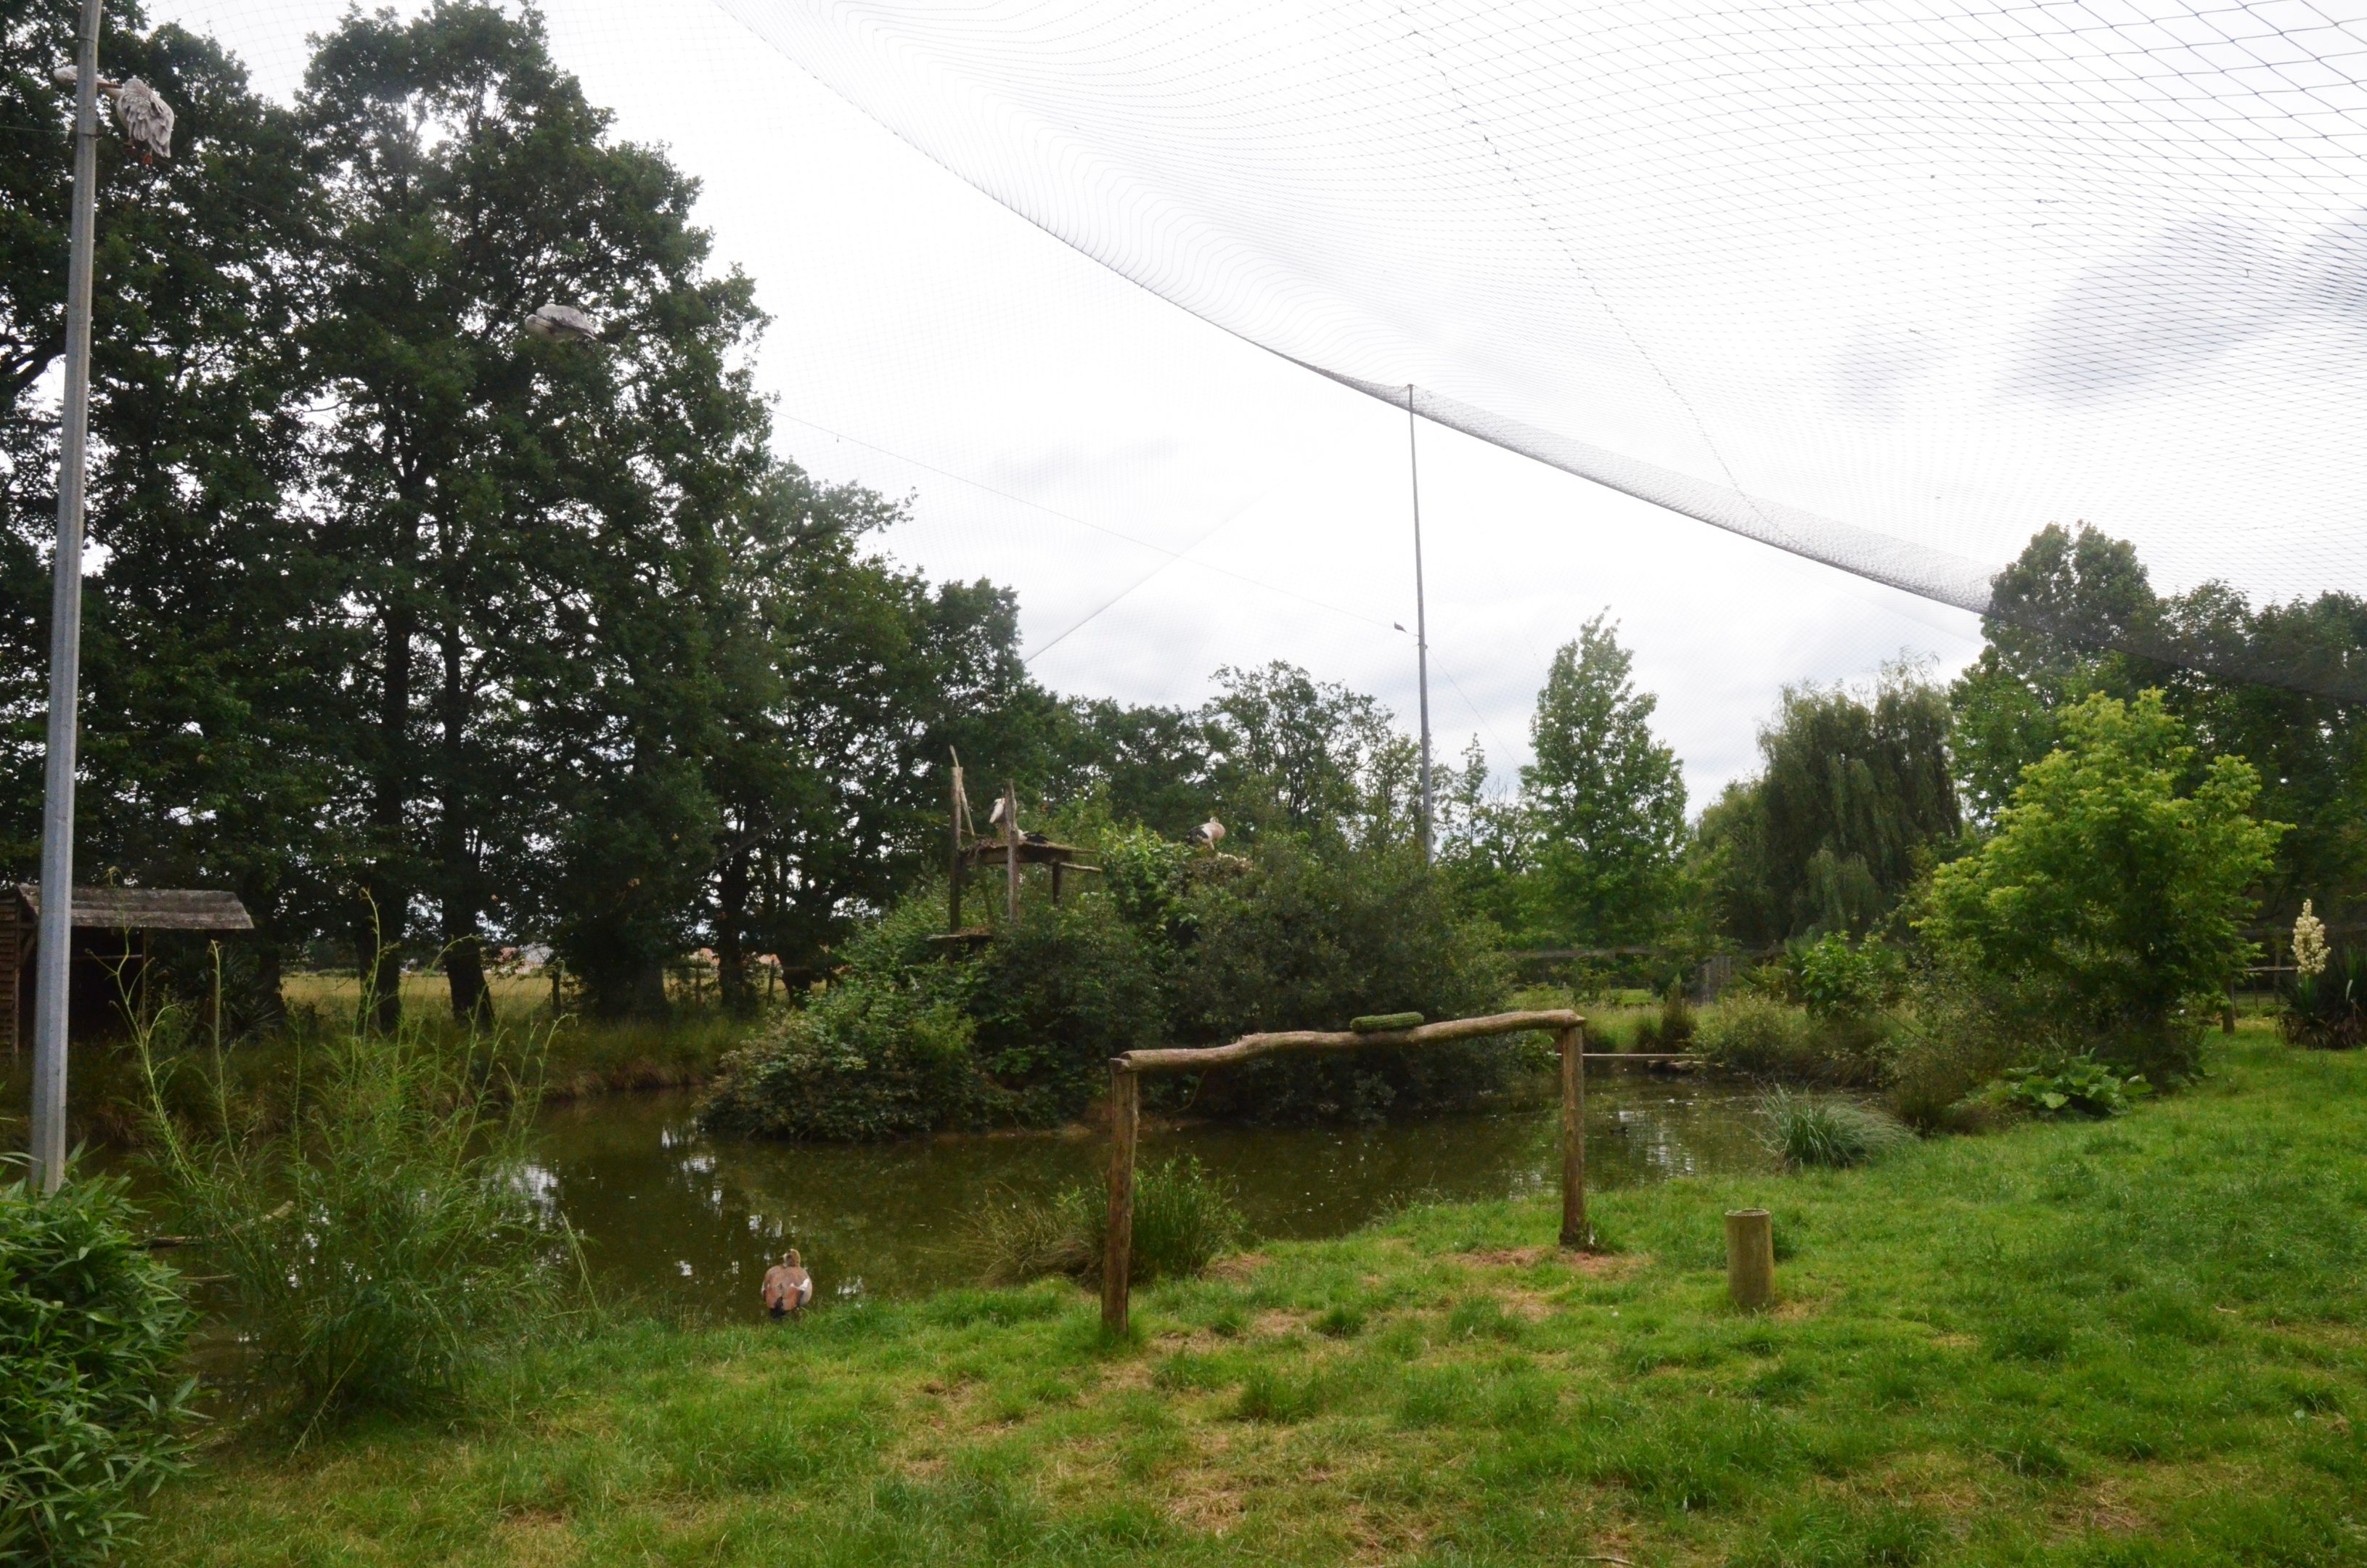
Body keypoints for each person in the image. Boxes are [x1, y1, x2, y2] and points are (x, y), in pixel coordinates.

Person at [761, 1249, 812, 1319]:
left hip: (776, 1302)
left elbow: (765, 1288)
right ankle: (796, 1316)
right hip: (787, 1302)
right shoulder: (802, 1273)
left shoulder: (772, 1271)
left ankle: (781, 1314)